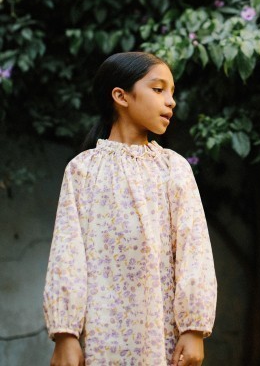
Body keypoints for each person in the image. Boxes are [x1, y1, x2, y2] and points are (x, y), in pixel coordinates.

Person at [43, 51, 217, 366]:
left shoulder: (173, 168)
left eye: (172, 93)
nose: (171, 101)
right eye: (159, 89)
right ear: (121, 96)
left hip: (162, 340)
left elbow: (194, 251)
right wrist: (65, 334)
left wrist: (193, 328)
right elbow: (67, 256)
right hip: (99, 341)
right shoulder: (82, 171)